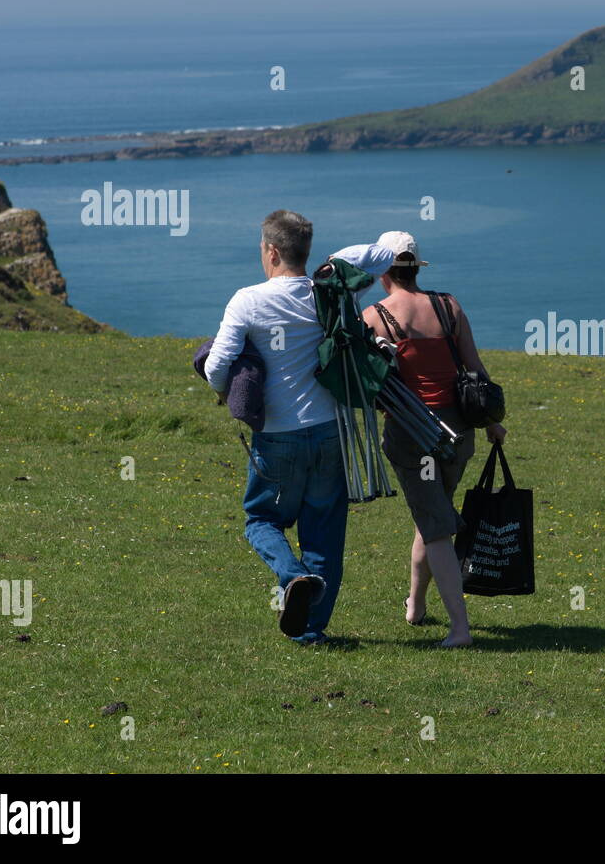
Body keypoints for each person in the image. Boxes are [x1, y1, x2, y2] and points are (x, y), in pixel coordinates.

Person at [205, 210, 393, 644]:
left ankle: (291, 577)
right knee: (324, 531)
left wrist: (225, 393)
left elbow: (217, 367)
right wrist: (341, 256)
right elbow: (383, 254)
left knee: (261, 519)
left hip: (277, 434)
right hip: (329, 429)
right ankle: (310, 631)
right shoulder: (327, 292)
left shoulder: (247, 300)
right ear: (304, 251)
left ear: (271, 250)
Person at [362, 230, 506, 649]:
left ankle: (460, 628)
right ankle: (416, 605)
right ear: (415, 267)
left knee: (437, 525)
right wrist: (492, 422)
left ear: (383, 270)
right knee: (432, 518)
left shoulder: (374, 316)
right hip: (459, 432)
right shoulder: (448, 306)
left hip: (412, 434)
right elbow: (476, 370)